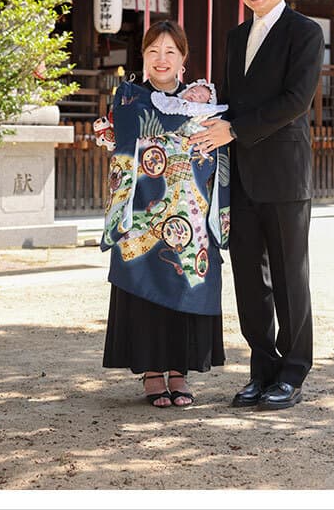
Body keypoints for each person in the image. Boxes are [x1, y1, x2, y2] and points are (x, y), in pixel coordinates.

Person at [187, 0, 325, 411]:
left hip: (285, 175)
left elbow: (296, 100)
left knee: (289, 275)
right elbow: (229, 102)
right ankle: (262, 369)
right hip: (239, 175)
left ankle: (293, 371)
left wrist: (235, 128)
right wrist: (200, 108)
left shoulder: (305, 32)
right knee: (249, 276)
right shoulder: (233, 38)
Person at [94, 20, 231, 408]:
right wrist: (109, 134)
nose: (161, 59)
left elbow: (214, 151)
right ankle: (153, 373)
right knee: (144, 284)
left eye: (171, 52)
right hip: (142, 209)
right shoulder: (128, 99)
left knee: (185, 275)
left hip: (188, 210)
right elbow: (116, 145)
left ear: (183, 59)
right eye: (154, 51)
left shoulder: (202, 103)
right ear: (143, 56)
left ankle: (179, 372)